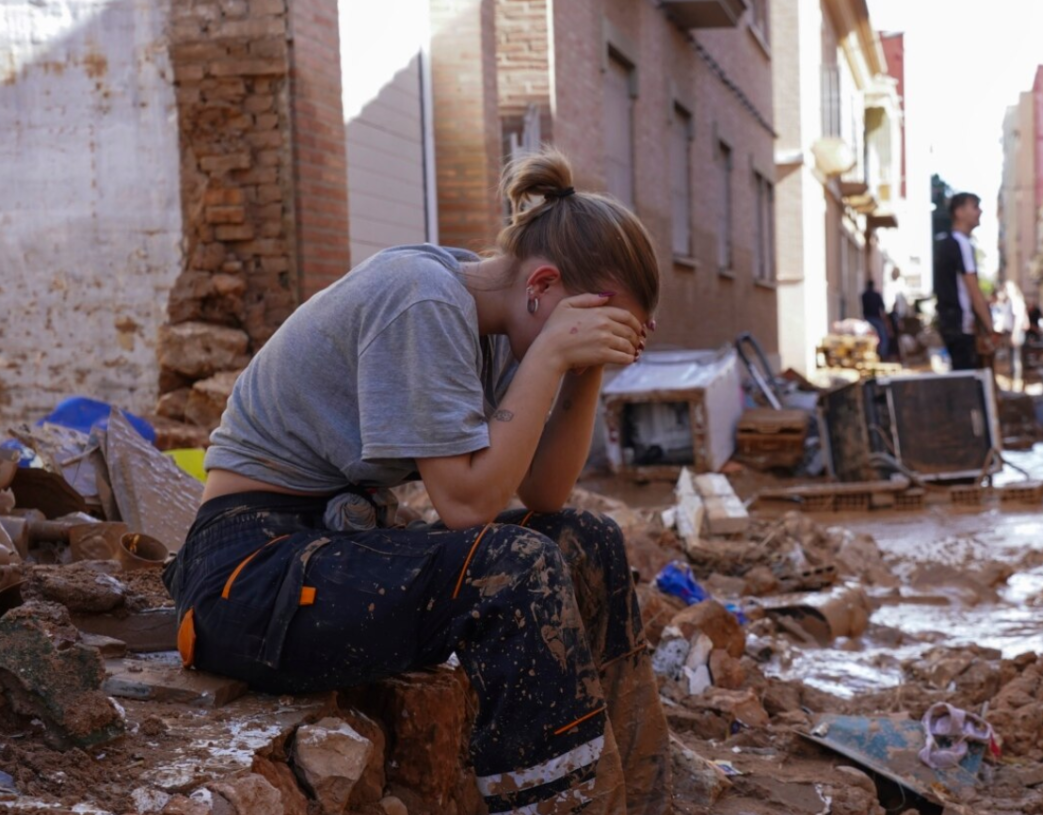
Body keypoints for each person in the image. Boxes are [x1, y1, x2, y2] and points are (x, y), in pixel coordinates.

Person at [166, 151, 669, 815]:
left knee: (589, 538)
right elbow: (465, 505)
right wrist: (552, 351)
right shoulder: (424, 298)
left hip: (328, 547)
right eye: (593, 321)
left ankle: (639, 801)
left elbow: (545, 495)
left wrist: (585, 368)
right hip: (246, 575)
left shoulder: (494, 322)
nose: (588, 338)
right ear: (541, 284)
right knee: (513, 565)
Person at [933, 192, 1000, 371]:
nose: (979, 212)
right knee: (967, 382)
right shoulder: (961, 243)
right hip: (960, 325)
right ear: (959, 212)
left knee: (962, 379)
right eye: (974, 207)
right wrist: (990, 327)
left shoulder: (948, 243)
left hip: (951, 323)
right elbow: (973, 289)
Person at [862, 278, 893, 361]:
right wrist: (886, 320)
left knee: (868, 337)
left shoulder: (864, 295)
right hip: (876, 318)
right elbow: (882, 308)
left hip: (868, 319)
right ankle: (882, 354)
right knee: (883, 337)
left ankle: (870, 354)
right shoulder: (876, 295)